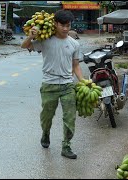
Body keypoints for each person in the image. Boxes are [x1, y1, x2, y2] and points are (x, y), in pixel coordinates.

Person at [21, 10, 84, 159]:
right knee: (46, 117)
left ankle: (66, 146)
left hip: (68, 85)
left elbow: (76, 66)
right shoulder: (45, 40)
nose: (65, 29)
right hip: (49, 85)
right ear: (55, 24)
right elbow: (24, 46)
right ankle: (45, 133)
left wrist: (84, 82)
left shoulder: (74, 44)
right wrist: (31, 36)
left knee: (70, 117)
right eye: (62, 25)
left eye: (68, 25)